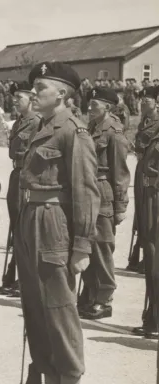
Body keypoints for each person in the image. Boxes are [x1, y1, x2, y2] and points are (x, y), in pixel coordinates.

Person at [17, 62, 99, 384]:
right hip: (30, 220)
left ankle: (68, 375)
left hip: (53, 225)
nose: (33, 94)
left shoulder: (73, 132)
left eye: (40, 88)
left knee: (59, 308)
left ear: (62, 93)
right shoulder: (42, 127)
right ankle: (44, 372)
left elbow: (86, 191)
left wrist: (82, 245)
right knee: (34, 306)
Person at [77, 87, 130, 320]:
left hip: (103, 192)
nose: (89, 108)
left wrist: (120, 206)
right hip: (88, 191)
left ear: (107, 107)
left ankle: (105, 298)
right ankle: (89, 294)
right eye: (89, 104)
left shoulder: (114, 132)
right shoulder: (90, 127)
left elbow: (120, 173)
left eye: (94, 105)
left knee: (103, 247)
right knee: (86, 243)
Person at [0, 81, 41, 297]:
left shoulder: (36, 122)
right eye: (14, 97)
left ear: (32, 99)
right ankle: (13, 273)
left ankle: (23, 277)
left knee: (24, 228)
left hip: (28, 176)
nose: (14, 101)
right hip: (17, 175)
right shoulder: (18, 123)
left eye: (19, 97)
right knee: (16, 226)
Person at [132, 86, 159, 339]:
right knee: (151, 256)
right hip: (148, 194)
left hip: (156, 197)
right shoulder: (148, 124)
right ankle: (153, 316)